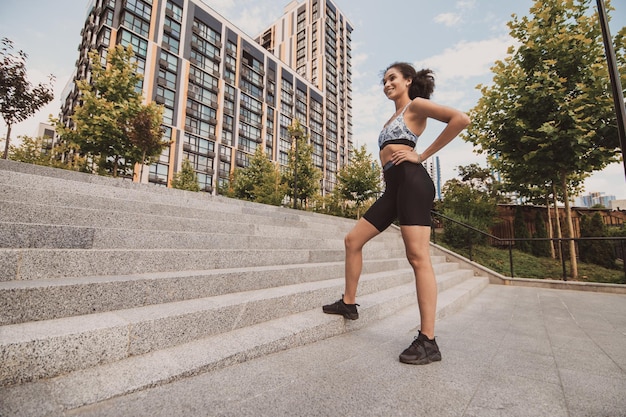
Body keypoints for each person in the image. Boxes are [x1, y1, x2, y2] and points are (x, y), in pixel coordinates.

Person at [322, 62, 471, 365]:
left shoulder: (416, 106)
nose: (387, 84)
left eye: (393, 78)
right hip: (393, 189)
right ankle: (349, 303)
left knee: (418, 258)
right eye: (385, 80)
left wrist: (422, 154)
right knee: (353, 240)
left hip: (413, 183)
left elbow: (460, 119)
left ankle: (428, 341)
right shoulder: (392, 116)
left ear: (408, 81)